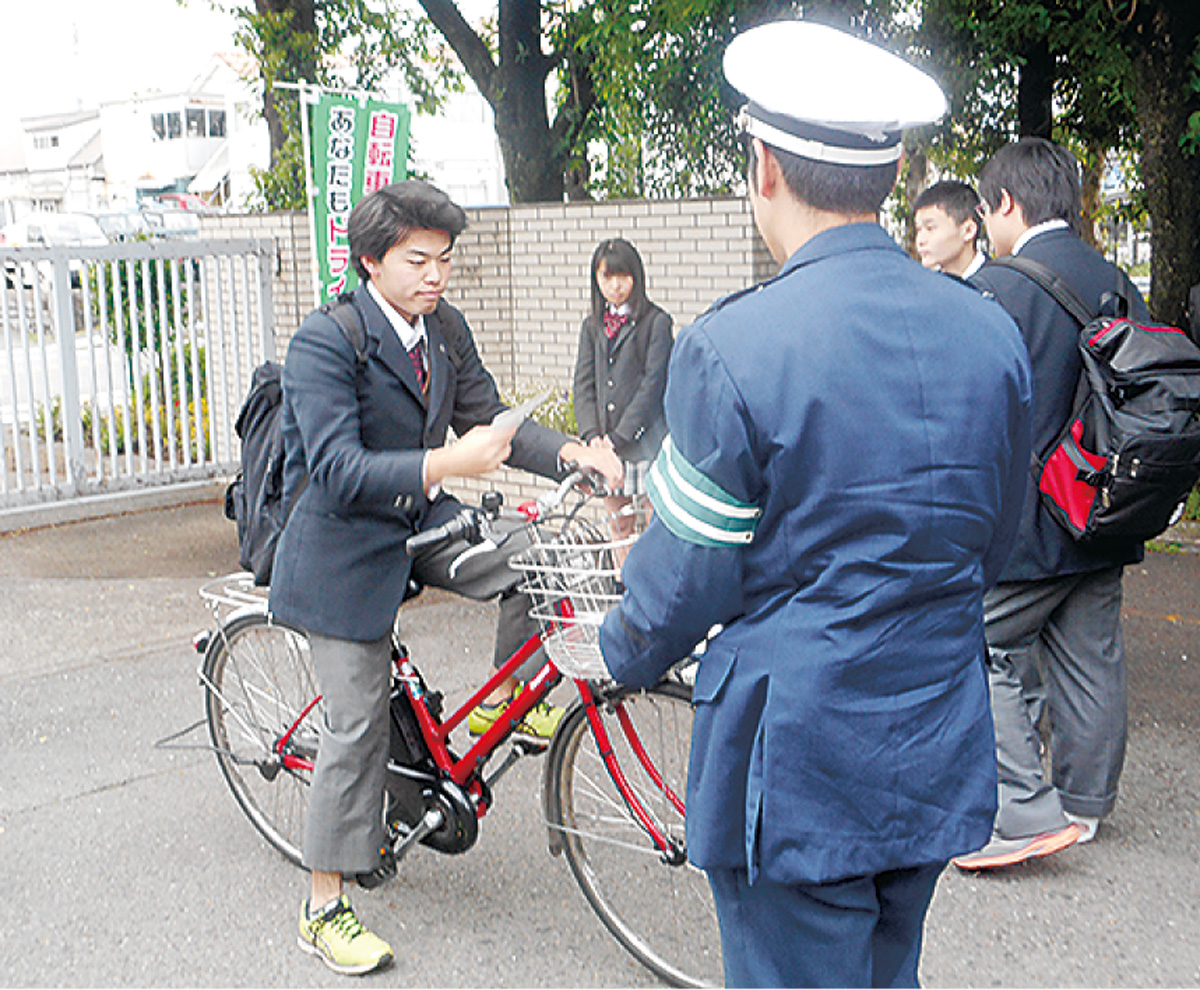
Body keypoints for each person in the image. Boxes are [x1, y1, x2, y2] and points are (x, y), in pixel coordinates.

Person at [598, 20, 1033, 989]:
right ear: (893, 172)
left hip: (797, 761)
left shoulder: (734, 346)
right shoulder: (988, 332)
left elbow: (687, 577)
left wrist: (619, 648)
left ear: (763, 167)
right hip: (933, 731)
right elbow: (994, 542)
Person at [269, 179, 621, 975]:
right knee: (356, 723)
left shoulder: (444, 327)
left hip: (420, 521)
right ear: (371, 261)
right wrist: (445, 462)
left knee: (540, 557)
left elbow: (489, 417)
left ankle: (503, 700)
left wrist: (572, 453)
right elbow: (335, 469)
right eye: (417, 260)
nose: (435, 276)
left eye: (444, 260)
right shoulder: (326, 341)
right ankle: (322, 905)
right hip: (341, 548)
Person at [952, 137, 1150, 871]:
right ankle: (1085, 804)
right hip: (1107, 508)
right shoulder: (1115, 279)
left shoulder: (996, 289)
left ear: (1005, 203)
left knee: (971, 640)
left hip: (1028, 519)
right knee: (1091, 653)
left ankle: (1021, 806)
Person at [572, 237, 673, 557]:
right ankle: (622, 583)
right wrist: (592, 437)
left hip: (646, 442)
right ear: (596, 279)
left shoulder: (656, 322)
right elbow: (583, 385)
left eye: (622, 276)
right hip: (606, 447)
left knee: (656, 525)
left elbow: (653, 386)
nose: (615, 286)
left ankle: (653, 586)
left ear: (636, 277)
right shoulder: (592, 326)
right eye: (607, 277)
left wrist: (618, 437)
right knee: (618, 526)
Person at [913, 179, 987, 277]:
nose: (920, 241)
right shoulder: (926, 283)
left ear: (968, 230)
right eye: (918, 230)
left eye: (930, 228)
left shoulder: (999, 281)